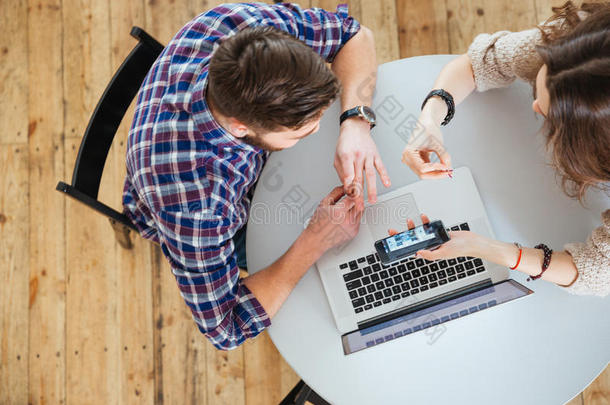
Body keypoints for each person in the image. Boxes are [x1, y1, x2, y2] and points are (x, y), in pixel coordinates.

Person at [122, 2, 391, 350]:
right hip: (212, 221)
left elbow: (355, 35)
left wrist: (355, 123)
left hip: (248, 171)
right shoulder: (197, 205)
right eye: (299, 133)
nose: (315, 134)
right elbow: (226, 328)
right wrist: (315, 240)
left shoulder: (243, 27)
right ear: (241, 127)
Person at [400, 1, 609, 296]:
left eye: (550, 116)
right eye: (538, 89)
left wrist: (490, 249)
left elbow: (596, 272)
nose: (534, 105)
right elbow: (483, 62)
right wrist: (430, 118)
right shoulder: (583, 47)